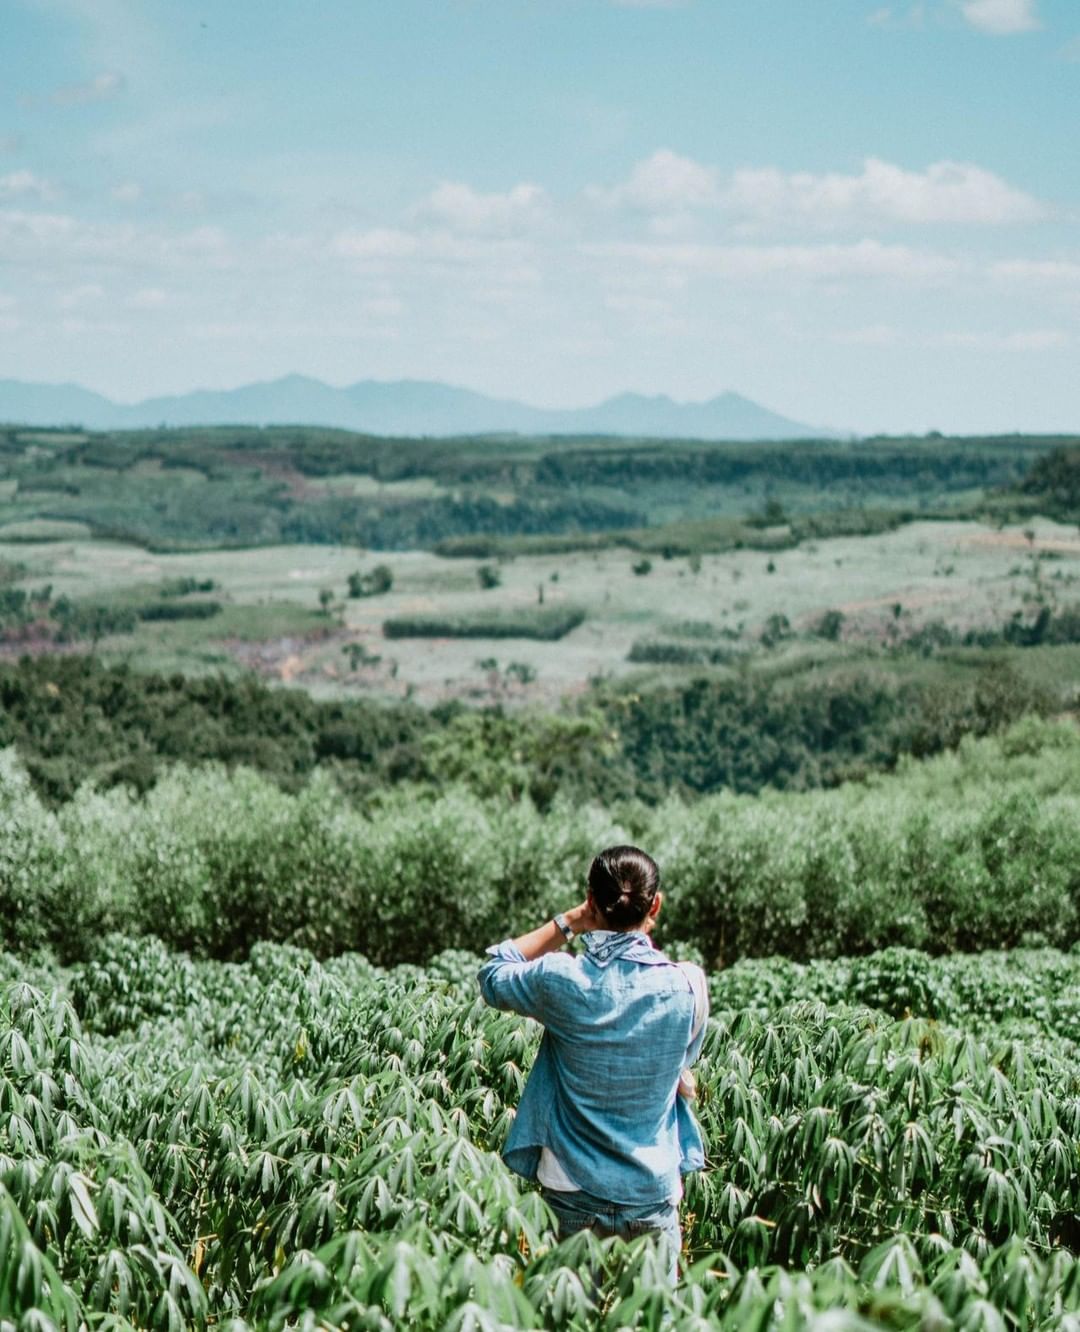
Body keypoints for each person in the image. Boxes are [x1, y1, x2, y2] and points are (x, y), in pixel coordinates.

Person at [478, 844, 708, 1286]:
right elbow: (682, 1061)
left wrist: (570, 922)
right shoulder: (688, 986)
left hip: (571, 1189)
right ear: (655, 904)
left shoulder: (561, 980)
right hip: (652, 1193)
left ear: (591, 899)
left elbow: (493, 974)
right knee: (650, 1321)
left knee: (570, 1320)